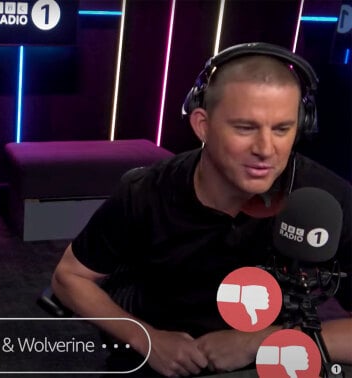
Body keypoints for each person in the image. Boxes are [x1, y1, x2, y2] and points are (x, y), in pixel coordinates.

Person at [51, 42, 351, 377]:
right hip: (162, 351)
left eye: (282, 129)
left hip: (274, 354)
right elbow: (69, 277)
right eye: (245, 128)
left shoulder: (326, 199)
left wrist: (262, 341)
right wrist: (148, 338)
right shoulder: (147, 191)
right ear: (202, 125)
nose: (266, 149)